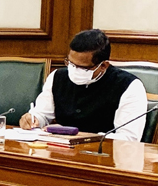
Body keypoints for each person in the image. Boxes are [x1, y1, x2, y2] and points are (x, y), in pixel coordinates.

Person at [19, 29, 147, 141]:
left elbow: (128, 139)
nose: (73, 70)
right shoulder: (57, 77)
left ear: (103, 66)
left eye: (82, 67)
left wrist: (77, 136)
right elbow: (42, 114)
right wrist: (33, 119)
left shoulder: (129, 86)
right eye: (70, 63)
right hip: (59, 153)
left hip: (104, 159)